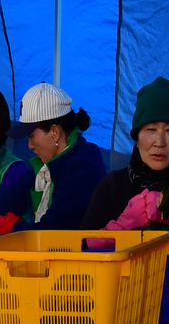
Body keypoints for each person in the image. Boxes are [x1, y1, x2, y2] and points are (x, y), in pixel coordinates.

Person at [83, 77, 169, 228]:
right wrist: (123, 225)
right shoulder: (113, 187)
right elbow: (82, 245)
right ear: (137, 137)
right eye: (151, 130)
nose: (159, 142)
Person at [7, 83, 105, 229]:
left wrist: (6, 226)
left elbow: (52, 231)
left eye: (32, 136)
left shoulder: (84, 170)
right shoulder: (47, 164)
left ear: (55, 133)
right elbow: (13, 196)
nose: (30, 145)